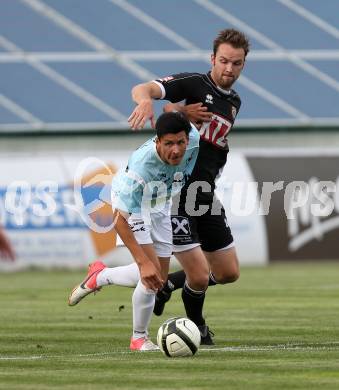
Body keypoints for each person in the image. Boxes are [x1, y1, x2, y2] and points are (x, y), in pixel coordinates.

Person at [128, 28, 250, 345]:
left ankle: (167, 284)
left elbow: (210, 146)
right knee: (198, 276)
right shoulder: (196, 84)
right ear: (213, 59)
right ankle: (196, 327)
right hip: (178, 193)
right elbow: (144, 89)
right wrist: (159, 106)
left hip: (205, 193)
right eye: (224, 61)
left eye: (236, 63)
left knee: (227, 272)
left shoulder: (234, 101)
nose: (229, 69)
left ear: (243, 65)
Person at [68, 112, 200, 351]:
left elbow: (182, 115)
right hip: (133, 206)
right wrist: (142, 261)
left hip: (161, 200)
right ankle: (138, 338)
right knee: (150, 277)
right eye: (169, 144)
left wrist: (186, 111)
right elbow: (119, 221)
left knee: (157, 278)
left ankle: (100, 276)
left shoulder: (194, 139)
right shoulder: (140, 169)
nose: (177, 150)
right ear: (157, 141)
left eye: (181, 142)